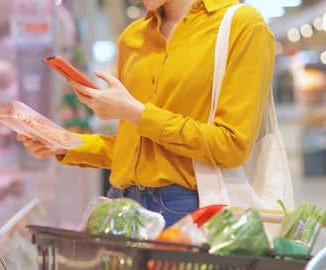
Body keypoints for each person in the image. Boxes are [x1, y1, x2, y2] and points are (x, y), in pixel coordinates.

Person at [17, 0, 274, 227]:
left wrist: (136, 113)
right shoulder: (133, 38)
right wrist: (64, 143)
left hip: (192, 209)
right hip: (121, 202)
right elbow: (136, 149)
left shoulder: (243, 25)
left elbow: (231, 145)